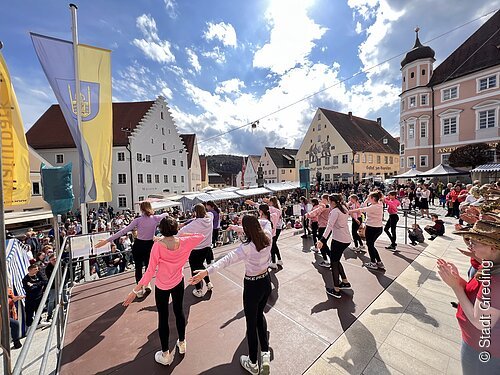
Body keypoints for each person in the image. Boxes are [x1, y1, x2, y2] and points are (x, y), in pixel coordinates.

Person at [189, 215, 272, 375]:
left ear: (247, 230)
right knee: (260, 315)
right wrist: (249, 222)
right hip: (265, 282)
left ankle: (253, 363)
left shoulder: (246, 247)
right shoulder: (267, 235)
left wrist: (206, 271)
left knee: (251, 322)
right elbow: (266, 222)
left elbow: (226, 260)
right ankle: (265, 354)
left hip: (252, 285)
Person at [123, 217, 205, 366]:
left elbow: (149, 272)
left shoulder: (158, 246)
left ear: (161, 230)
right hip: (178, 282)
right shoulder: (184, 242)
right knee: (179, 312)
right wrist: (180, 234)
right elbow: (200, 236)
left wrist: (135, 290)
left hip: (162, 286)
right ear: (175, 229)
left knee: (163, 317)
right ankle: (182, 343)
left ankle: (166, 354)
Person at [437, 220, 500, 374]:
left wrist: (455, 287)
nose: (470, 246)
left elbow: (481, 322)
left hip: (482, 350)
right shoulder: (489, 266)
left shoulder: (495, 281)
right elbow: (475, 294)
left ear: (492, 247)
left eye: (475, 243)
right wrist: (457, 280)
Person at [95, 201, 169, 297]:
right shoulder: (155, 218)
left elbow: (123, 231)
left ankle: (140, 289)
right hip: (150, 245)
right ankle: (147, 284)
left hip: (138, 245)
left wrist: (107, 240)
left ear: (141, 209)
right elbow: (166, 214)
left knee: (138, 268)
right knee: (148, 267)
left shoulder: (137, 220)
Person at [317, 194, 352, 298]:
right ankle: (345, 282)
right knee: (336, 260)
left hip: (338, 240)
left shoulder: (334, 211)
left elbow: (329, 226)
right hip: (346, 239)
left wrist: (322, 240)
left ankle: (336, 290)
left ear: (332, 202)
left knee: (334, 263)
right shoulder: (344, 208)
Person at [179, 204, 214, 297]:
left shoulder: (194, 224)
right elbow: (209, 213)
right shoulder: (210, 217)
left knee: (194, 269)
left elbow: (180, 233)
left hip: (196, 249)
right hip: (207, 247)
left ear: (195, 212)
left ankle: (198, 289)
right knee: (201, 265)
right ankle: (208, 283)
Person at [349, 191, 385, 270]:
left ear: (372, 198)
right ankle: (379, 262)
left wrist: (349, 211)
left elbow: (361, 209)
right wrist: (367, 200)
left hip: (372, 228)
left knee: (370, 245)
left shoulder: (372, 207)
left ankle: (373, 262)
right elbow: (364, 205)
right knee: (371, 245)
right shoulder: (379, 204)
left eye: (369, 197)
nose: (368, 198)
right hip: (378, 228)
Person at [306, 194, 331, 266]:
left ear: (325, 200)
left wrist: (307, 215)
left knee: (322, 244)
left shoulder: (323, 206)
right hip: (327, 227)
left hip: (322, 227)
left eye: (322, 198)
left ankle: (327, 260)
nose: (321, 200)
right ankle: (329, 259)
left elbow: (315, 213)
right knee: (323, 243)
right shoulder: (329, 207)